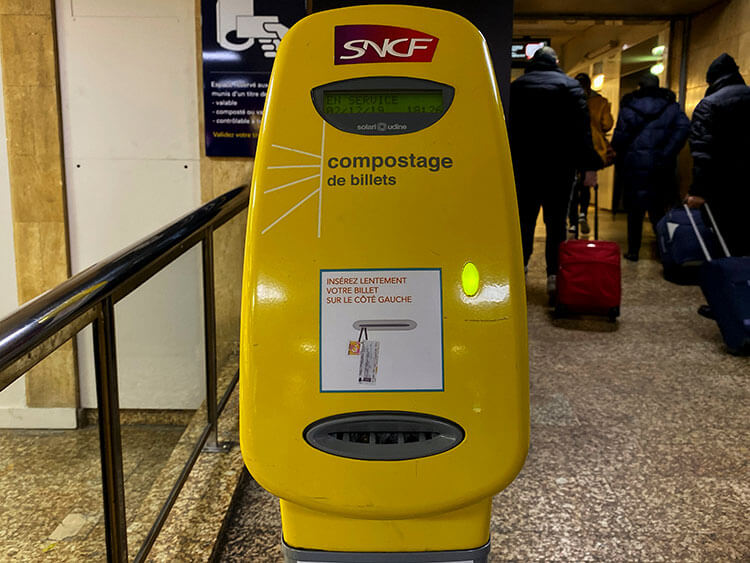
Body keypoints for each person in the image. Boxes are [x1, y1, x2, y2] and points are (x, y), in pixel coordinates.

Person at [509, 47, 600, 299]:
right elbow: (582, 131)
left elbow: (506, 129)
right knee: (557, 222)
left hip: (524, 166)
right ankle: (553, 277)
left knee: (524, 221)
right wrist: (589, 167)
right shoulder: (570, 87)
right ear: (556, 62)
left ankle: (520, 270)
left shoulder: (515, 88)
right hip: (560, 168)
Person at [685, 53, 750, 319]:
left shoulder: (710, 105)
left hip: (724, 189)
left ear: (712, 80)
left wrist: (698, 191)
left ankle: (728, 300)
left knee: (725, 245)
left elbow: (703, 153)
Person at [611, 74, 689, 262]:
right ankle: (665, 250)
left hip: (634, 166)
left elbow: (619, 138)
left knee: (634, 212)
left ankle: (633, 251)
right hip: (661, 166)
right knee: (658, 210)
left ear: (639, 86)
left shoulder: (629, 108)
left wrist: (619, 154)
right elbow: (684, 128)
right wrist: (667, 152)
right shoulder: (671, 107)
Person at [569, 73, 614, 235]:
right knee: (587, 183)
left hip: (572, 148)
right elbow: (607, 124)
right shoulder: (600, 102)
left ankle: (572, 221)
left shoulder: (568, 100)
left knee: (572, 186)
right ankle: (583, 214)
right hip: (594, 149)